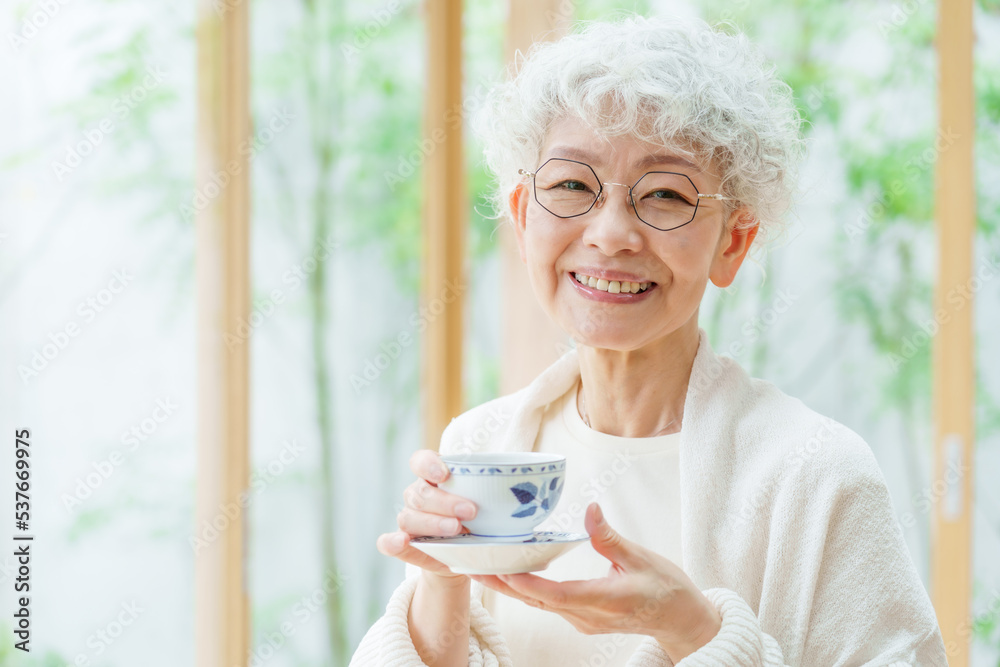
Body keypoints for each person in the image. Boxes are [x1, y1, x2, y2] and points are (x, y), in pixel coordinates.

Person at [351, 13, 948, 667]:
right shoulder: (480, 449)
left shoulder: (818, 473)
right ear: (523, 219)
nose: (610, 234)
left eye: (665, 194)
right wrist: (440, 579)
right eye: (572, 185)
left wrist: (694, 632)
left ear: (734, 242)